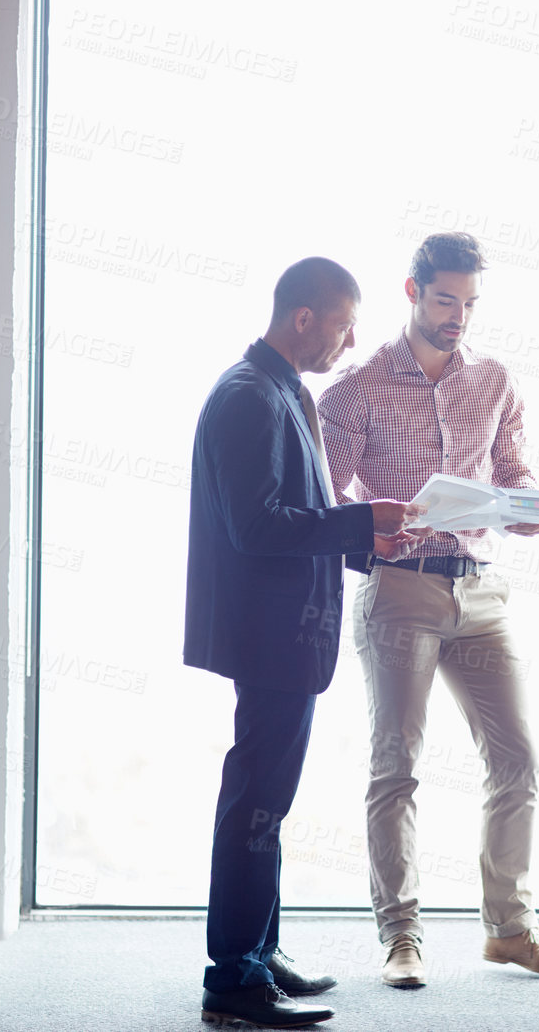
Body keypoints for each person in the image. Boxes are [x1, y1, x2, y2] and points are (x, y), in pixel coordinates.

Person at [318, 231, 539, 988]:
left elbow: (511, 473)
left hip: (482, 589)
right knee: (395, 764)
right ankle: (402, 937)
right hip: (400, 588)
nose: (458, 317)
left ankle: (510, 929)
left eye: (469, 304)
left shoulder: (495, 380)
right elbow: (325, 501)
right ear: (411, 292)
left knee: (518, 760)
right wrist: (377, 521)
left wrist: (529, 508)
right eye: (444, 301)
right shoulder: (355, 390)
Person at [185, 256, 423, 1029]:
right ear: (304, 319)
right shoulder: (248, 399)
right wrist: (362, 521)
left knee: (267, 803)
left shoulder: (282, 389)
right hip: (270, 636)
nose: (350, 344)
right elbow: (256, 528)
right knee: (256, 802)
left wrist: (368, 537)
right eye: (345, 325)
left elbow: (297, 514)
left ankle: (261, 949)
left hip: (287, 634)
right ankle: (235, 977)